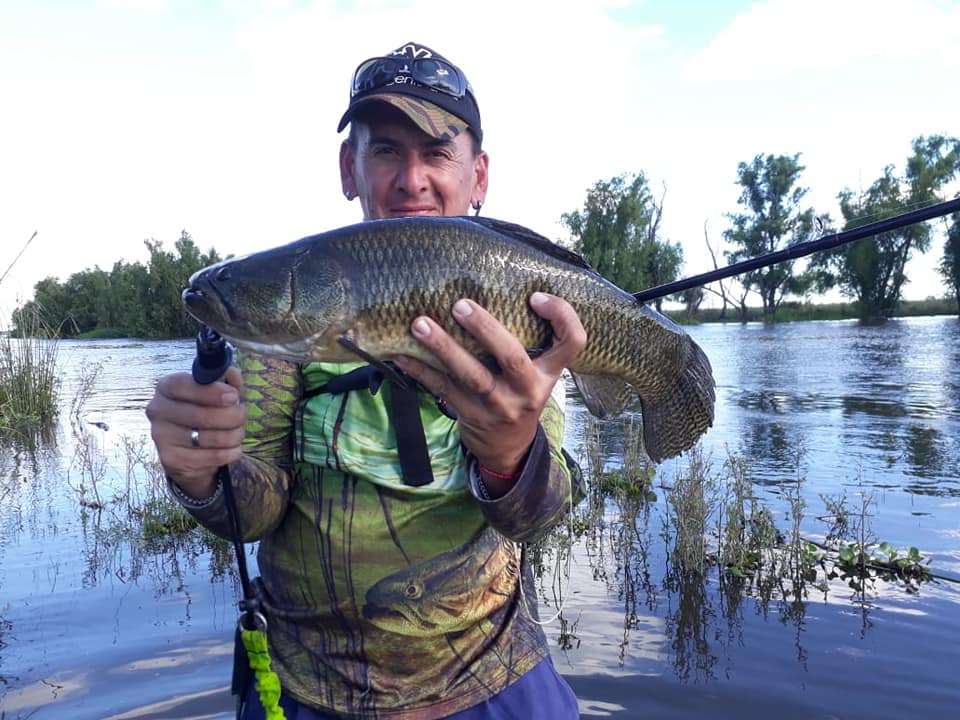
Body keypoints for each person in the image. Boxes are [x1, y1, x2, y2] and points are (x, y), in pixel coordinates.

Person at [147, 41, 585, 719]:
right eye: (385, 151)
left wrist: (510, 455)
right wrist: (203, 472)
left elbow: (539, 514)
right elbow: (253, 512)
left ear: (479, 176)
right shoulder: (284, 331)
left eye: (437, 151)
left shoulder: (514, 301)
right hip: (310, 690)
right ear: (349, 170)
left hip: (492, 679)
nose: (411, 179)